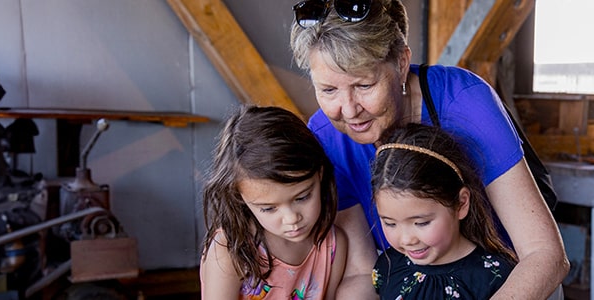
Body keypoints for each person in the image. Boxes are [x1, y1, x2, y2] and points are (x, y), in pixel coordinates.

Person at [290, 0, 569, 298]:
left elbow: (545, 254)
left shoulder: (464, 102)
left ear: (400, 63)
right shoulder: (326, 137)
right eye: (329, 90)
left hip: (509, 282)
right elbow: (364, 271)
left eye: (364, 85)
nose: (348, 110)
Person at [200, 105, 348, 300]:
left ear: (319, 174)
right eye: (269, 208)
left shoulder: (332, 246)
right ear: (240, 197)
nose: (292, 218)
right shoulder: (230, 251)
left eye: (302, 197)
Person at [371, 123, 517, 299]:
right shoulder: (388, 267)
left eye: (421, 223)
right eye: (390, 223)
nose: (406, 239)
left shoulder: (497, 277)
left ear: (461, 204)